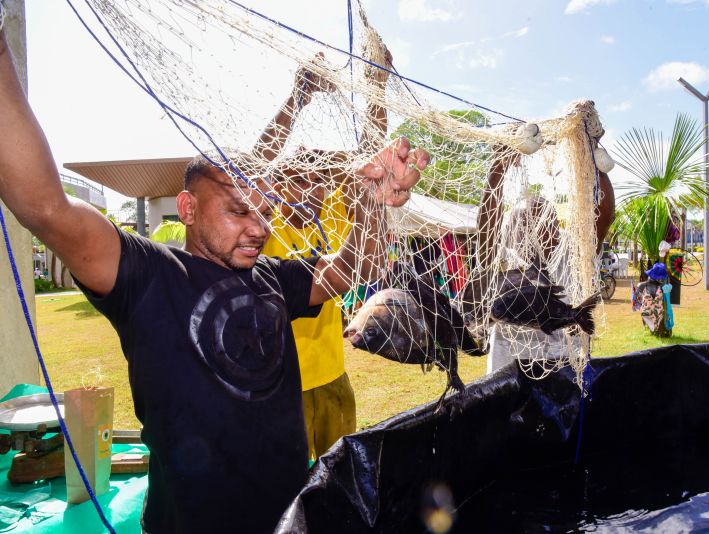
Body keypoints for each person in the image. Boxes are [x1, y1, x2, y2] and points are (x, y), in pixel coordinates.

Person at [0, 28, 428, 533]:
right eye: (239, 211)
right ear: (188, 207)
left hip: (287, 521)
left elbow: (352, 265)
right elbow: (45, 205)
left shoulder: (270, 276)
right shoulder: (147, 275)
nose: (259, 227)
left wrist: (375, 203)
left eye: (265, 212)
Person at [255, 48, 392, 460]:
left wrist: (376, 89)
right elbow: (255, 162)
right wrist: (300, 95)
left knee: (339, 481)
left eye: (317, 180)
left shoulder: (330, 218)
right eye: (299, 180)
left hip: (333, 378)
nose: (311, 189)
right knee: (286, 488)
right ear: (276, 187)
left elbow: (375, 164)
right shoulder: (263, 231)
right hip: (279, 389)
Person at [471, 146, 615, 373]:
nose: (534, 230)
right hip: (509, 381)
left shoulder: (573, 255)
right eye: (524, 222)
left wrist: (595, 160)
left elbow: (603, 217)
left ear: (557, 228)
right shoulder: (504, 260)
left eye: (544, 220)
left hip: (567, 375)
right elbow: (486, 228)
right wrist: (499, 167)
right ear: (511, 230)